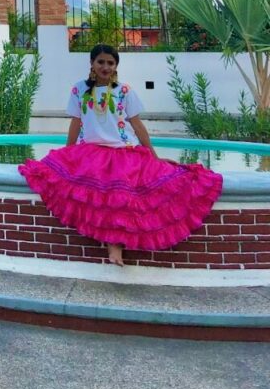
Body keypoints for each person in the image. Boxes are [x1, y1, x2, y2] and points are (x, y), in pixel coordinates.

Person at [19, 43, 222, 266]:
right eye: (101, 62)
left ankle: (116, 247)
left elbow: (137, 125)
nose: (105, 67)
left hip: (123, 152)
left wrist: (152, 156)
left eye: (111, 63)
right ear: (92, 63)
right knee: (97, 192)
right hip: (91, 153)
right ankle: (113, 247)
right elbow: (75, 123)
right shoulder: (79, 90)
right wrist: (67, 153)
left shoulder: (124, 91)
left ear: (116, 66)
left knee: (122, 196)